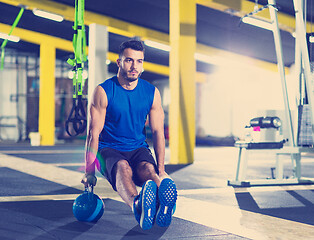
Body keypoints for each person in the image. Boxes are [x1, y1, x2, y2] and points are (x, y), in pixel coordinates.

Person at [81, 39, 177, 230]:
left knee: (148, 170)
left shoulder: (151, 92)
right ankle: (138, 204)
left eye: (139, 61)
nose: (134, 66)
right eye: (129, 60)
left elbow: (158, 133)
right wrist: (89, 171)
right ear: (119, 62)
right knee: (123, 167)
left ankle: (161, 200)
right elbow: (93, 134)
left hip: (137, 146)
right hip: (108, 148)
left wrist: (161, 169)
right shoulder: (103, 91)